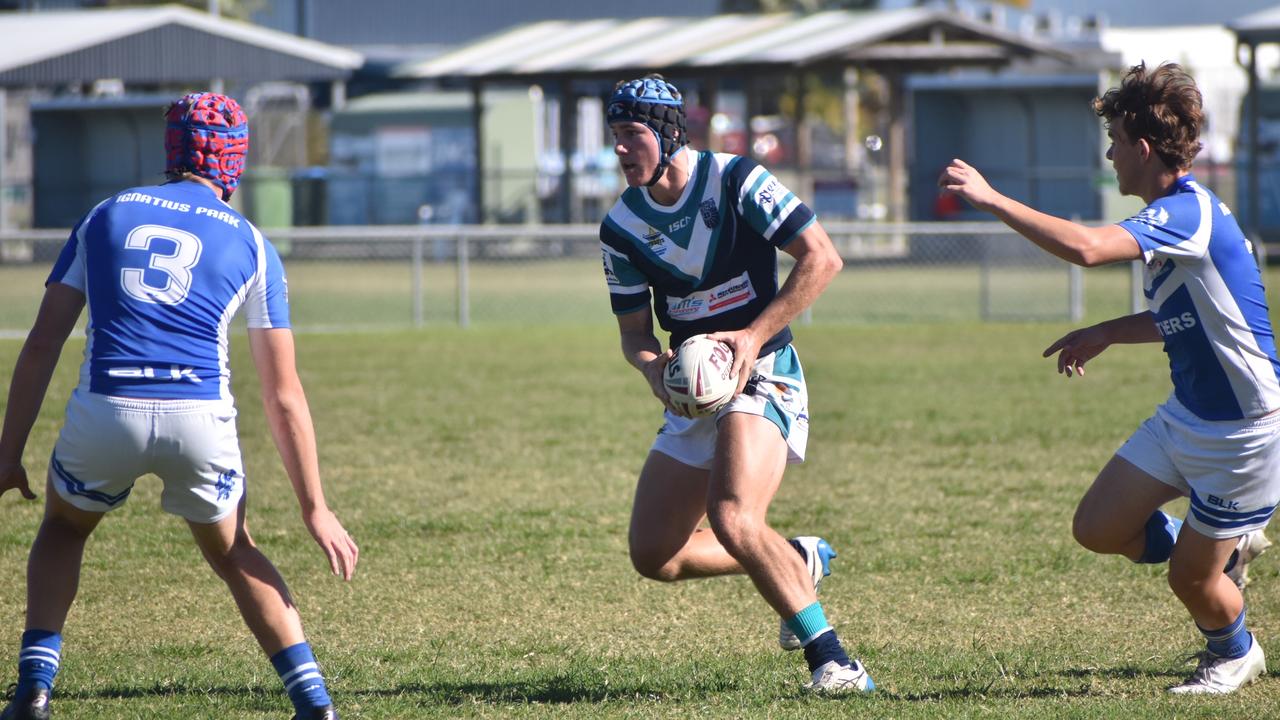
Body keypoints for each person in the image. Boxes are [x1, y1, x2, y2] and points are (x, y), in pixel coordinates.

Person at [0, 92, 358, 720]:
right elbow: (283, 393)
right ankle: (314, 700)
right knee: (234, 550)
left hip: (108, 406)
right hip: (200, 417)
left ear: (170, 149)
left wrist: (8, 454)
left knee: (63, 527)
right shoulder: (251, 242)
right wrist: (315, 506)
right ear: (235, 159)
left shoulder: (107, 214)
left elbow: (42, 343)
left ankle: (33, 688)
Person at [938, 62, 1277, 694]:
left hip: (1243, 433)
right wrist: (1105, 332)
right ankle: (1223, 548)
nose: (1110, 156)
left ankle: (1235, 650)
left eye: (1115, 143)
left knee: (1191, 582)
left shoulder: (1186, 213)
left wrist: (992, 199)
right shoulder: (1173, 215)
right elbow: (1185, 318)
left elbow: (1089, 248)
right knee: (1097, 527)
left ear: (1143, 149)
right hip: (1189, 415)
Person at [599, 75, 872, 693]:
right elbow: (635, 335)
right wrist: (651, 370)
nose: (619, 149)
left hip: (764, 369)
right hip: (694, 389)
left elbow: (822, 258)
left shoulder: (737, 180)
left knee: (733, 516)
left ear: (669, 133)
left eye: (630, 135)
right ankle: (798, 559)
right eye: (614, 137)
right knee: (655, 556)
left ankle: (834, 661)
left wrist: (750, 338)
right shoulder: (620, 228)